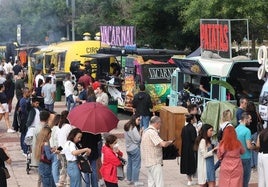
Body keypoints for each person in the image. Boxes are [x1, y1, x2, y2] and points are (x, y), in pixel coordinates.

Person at [141, 116, 174, 187]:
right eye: (160, 123)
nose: (160, 125)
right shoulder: (152, 132)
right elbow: (163, 144)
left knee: (151, 182)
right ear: (157, 123)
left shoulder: (145, 131)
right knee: (159, 183)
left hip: (148, 161)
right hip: (154, 162)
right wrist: (170, 142)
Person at [235, 112, 256, 187]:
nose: (250, 121)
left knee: (238, 180)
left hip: (237, 157)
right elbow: (249, 146)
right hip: (246, 157)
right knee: (245, 180)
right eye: (250, 119)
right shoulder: (247, 131)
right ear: (246, 119)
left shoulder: (235, 129)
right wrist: (255, 146)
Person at [124, 115, 144, 186]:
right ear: (134, 119)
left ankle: (129, 179)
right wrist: (141, 132)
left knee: (130, 164)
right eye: (138, 120)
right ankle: (135, 181)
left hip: (128, 148)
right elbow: (138, 139)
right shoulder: (134, 128)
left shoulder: (126, 126)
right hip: (134, 148)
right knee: (136, 165)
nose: (139, 121)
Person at [56, 110, 73, 187]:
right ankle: (68, 183)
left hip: (60, 149)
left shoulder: (59, 126)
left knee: (63, 166)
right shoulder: (69, 127)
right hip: (66, 150)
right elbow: (71, 138)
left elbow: (57, 138)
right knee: (69, 166)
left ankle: (61, 181)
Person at [180, 114, 197, 186]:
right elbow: (194, 139)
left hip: (184, 148)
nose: (196, 119)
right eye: (194, 118)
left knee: (186, 163)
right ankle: (190, 180)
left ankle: (189, 179)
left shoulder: (184, 128)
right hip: (191, 148)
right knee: (191, 163)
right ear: (192, 120)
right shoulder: (192, 128)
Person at [18, 87, 31, 156]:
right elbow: (24, 111)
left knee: (24, 134)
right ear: (25, 93)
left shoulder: (26, 100)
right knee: (24, 135)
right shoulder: (23, 101)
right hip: (24, 120)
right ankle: (24, 149)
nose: (30, 93)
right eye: (28, 92)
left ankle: (24, 148)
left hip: (25, 120)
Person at [246, 101, 258, 169]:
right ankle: (256, 164)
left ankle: (251, 164)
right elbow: (260, 121)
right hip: (255, 132)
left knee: (249, 148)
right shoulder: (256, 113)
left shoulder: (247, 114)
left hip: (249, 133)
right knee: (255, 148)